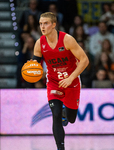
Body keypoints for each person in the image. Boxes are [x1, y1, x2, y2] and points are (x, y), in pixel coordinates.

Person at [30, 12, 89, 150]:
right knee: (55, 115)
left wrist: (71, 78)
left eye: (45, 23)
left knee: (72, 119)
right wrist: (31, 68)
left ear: (54, 24)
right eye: (40, 23)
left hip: (71, 80)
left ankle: (66, 112)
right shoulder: (39, 43)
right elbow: (35, 64)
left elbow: (85, 60)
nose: (42, 26)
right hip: (54, 82)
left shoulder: (67, 39)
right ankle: (60, 148)